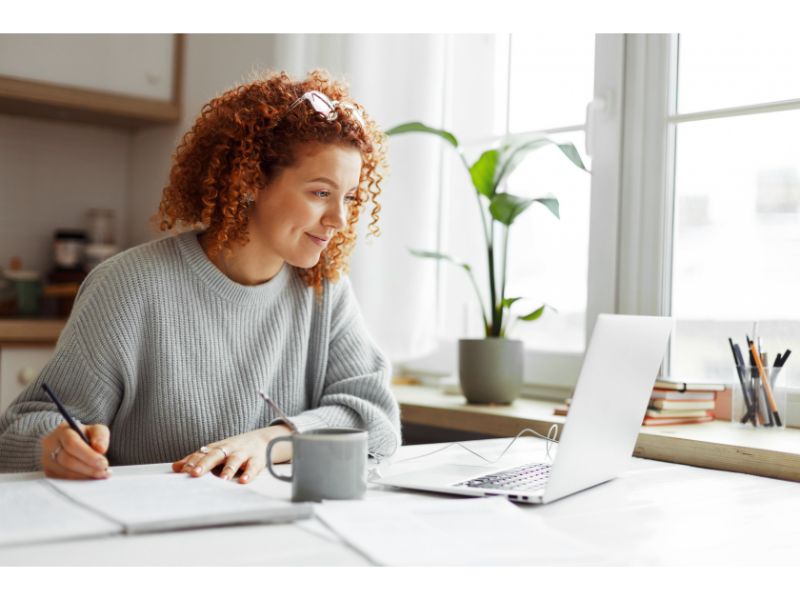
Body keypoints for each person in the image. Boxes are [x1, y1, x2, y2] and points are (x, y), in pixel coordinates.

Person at [0, 69, 401, 483]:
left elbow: (375, 420)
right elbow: (23, 428)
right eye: (320, 192)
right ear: (249, 181)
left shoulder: (324, 290)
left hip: (274, 528)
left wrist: (271, 442)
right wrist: (57, 443)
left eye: (350, 198)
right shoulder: (128, 286)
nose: (339, 219)